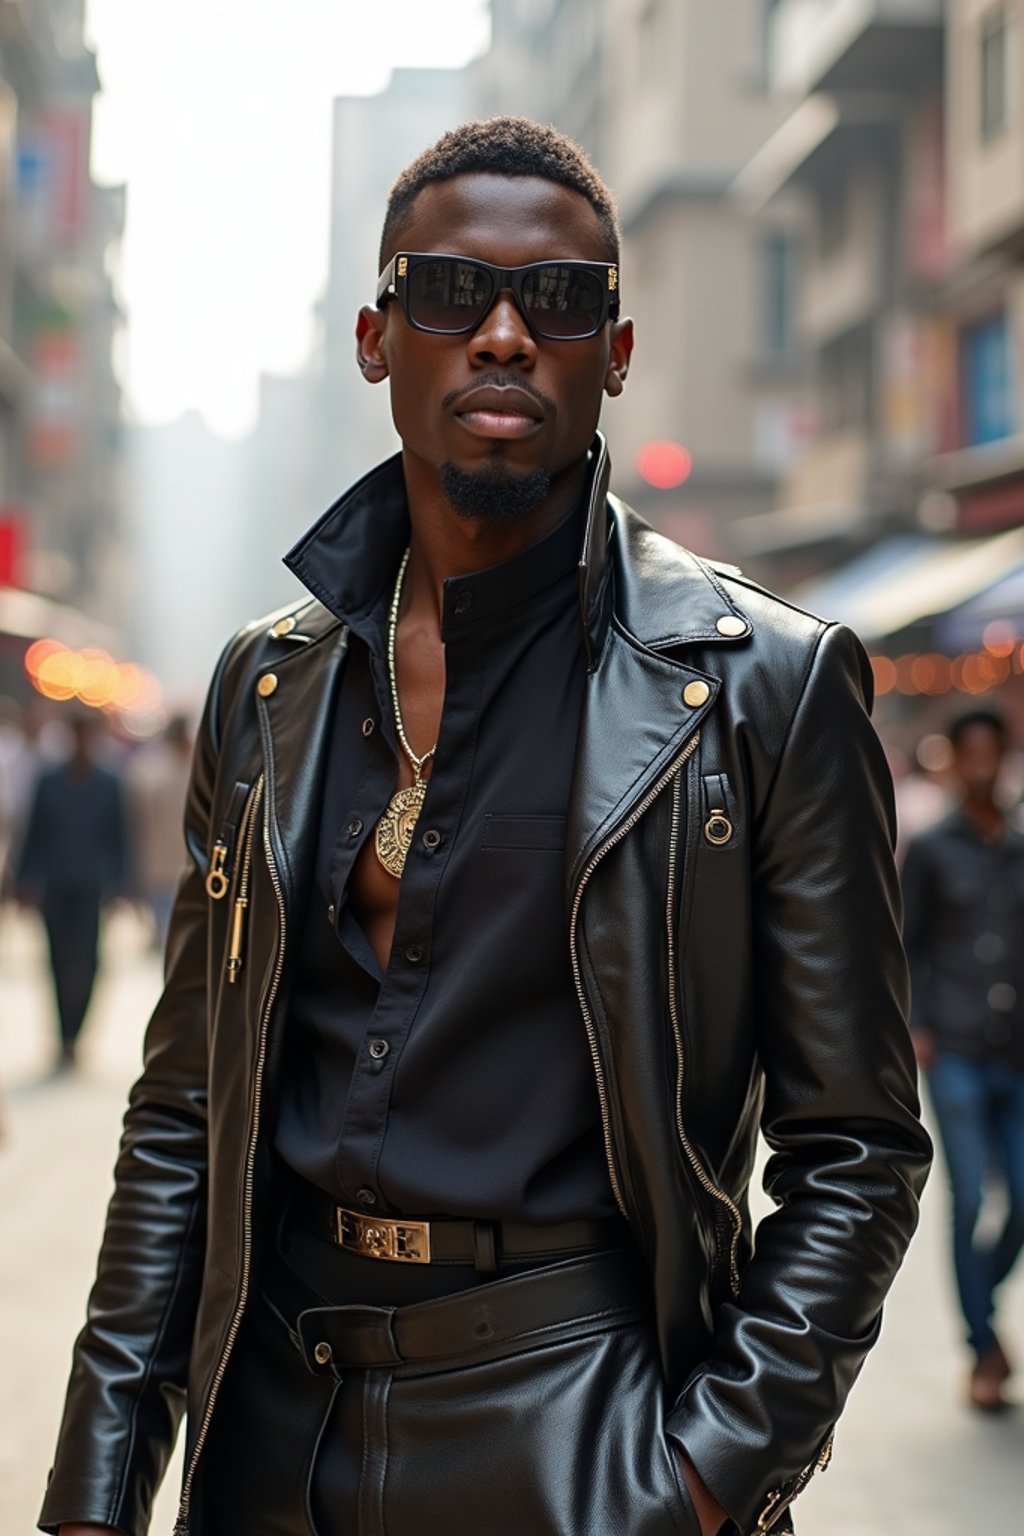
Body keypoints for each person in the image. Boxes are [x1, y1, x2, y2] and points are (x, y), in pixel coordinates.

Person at [41, 118, 930, 1536]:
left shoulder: (763, 687)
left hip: (582, 1417)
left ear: (617, 355)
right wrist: (97, 1483)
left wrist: (704, 1478)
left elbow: (861, 1147)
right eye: (452, 292)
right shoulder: (267, 683)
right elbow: (186, 1113)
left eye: (561, 302)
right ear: (378, 337)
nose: (506, 335)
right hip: (276, 1415)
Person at [902, 708, 1024, 1413]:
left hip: (1016, 1050)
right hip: (953, 1049)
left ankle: (983, 1299)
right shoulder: (931, 849)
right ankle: (982, 1346)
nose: (980, 766)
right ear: (952, 760)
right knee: (970, 1196)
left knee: (1021, 1200)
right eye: (968, 754)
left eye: (990, 753)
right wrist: (917, 1024)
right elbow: (904, 941)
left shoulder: (1017, 844)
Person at [15, 712, 129, 1070]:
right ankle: (64, 1036)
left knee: (88, 961)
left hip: (91, 887)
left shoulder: (109, 782)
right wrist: (20, 881)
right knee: (57, 961)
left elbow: (120, 838)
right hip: (55, 885)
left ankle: (77, 1032)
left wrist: (122, 883)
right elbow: (31, 833)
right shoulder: (49, 781)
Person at [125, 713, 194, 952]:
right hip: (162, 868)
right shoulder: (151, 772)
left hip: (188, 867)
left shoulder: (195, 769)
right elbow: (139, 823)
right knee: (170, 938)